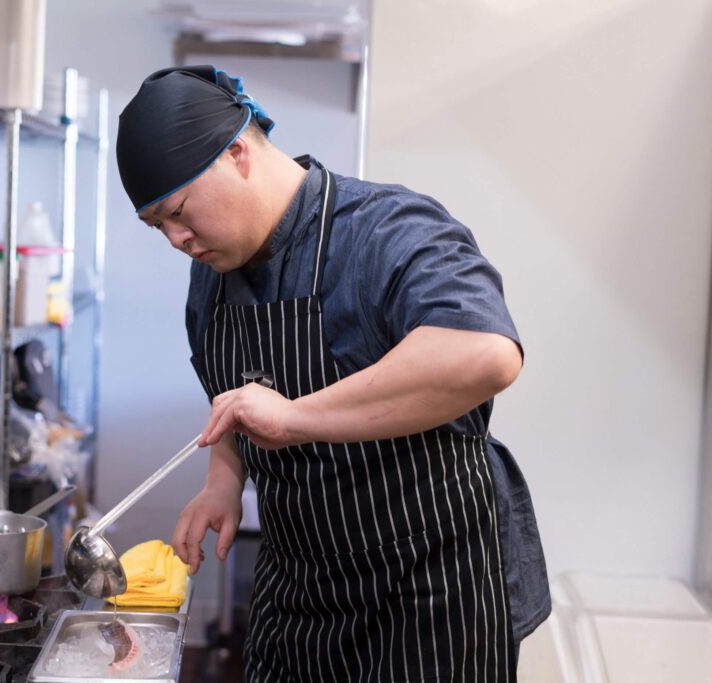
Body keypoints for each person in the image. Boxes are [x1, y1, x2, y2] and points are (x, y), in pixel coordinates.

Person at [115, 65, 550, 682]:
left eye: (178, 212)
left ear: (237, 153)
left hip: (430, 593)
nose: (176, 239)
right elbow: (236, 396)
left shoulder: (386, 229)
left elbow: (484, 353)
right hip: (300, 593)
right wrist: (223, 478)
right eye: (157, 225)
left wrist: (295, 418)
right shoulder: (212, 277)